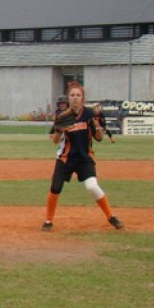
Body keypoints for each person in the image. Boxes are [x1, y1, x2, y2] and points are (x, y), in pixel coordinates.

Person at [43, 82, 123, 232]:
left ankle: (111, 217)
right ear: (68, 98)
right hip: (65, 158)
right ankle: (48, 221)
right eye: (72, 95)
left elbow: (98, 138)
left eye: (78, 95)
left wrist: (97, 125)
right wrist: (60, 130)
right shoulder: (63, 116)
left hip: (84, 158)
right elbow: (54, 141)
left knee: (92, 186)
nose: (75, 98)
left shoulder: (89, 114)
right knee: (55, 188)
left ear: (83, 98)